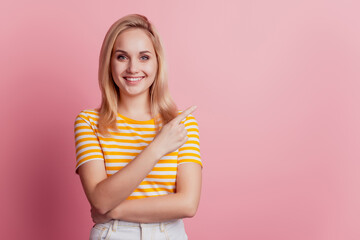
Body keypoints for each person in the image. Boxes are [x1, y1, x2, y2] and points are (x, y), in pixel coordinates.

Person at [73, 14, 203, 240]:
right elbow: (100, 199)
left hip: (168, 234)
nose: (133, 68)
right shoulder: (88, 122)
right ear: (109, 62)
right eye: (122, 57)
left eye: (144, 57)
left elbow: (188, 204)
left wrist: (116, 210)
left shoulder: (181, 124)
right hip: (112, 234)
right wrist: (157, 147)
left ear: (157, 63)